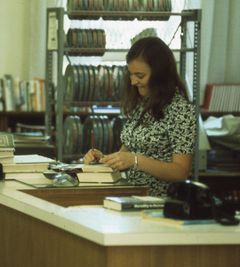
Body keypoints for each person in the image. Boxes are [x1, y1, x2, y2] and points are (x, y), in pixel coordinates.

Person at [84, 37, 196, 196]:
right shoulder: (141, 105)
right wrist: (104, 160)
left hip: (160, 204)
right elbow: (126, 153)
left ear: (160, 74)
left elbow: (180, 172)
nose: (133, 82)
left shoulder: (181, 110)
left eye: (140, 75)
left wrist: (136, 161)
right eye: (131, 74)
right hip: (132, 196)